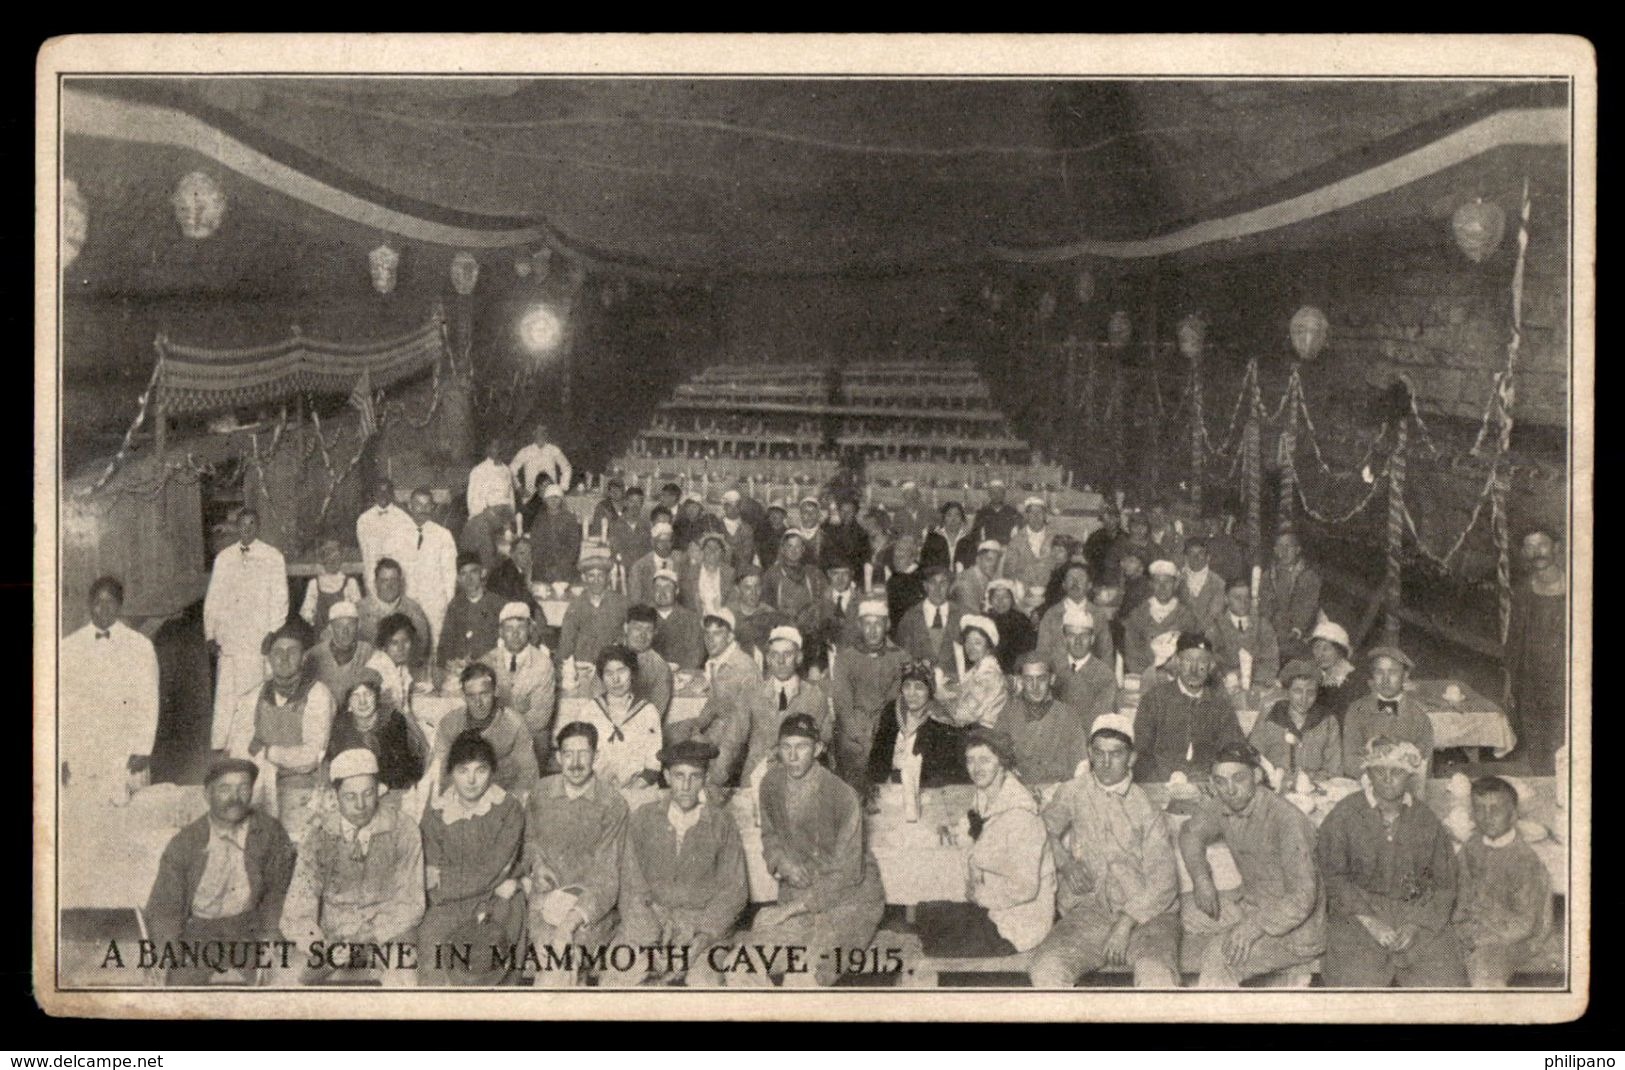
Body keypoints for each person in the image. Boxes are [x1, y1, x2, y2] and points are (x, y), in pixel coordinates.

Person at [1029, 715, 1181, 988]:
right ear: (1089, 753)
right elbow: (1039, 830)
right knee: (1046, 969)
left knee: (1156, 975)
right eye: (1098, 753)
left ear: (1132, 758)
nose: (1106, 763)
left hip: (1148, 917)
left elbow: (1164, 882)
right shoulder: (1073, 792)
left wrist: (1125, 924)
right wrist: (1065, 863)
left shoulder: (1147, 808)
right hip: (1090, 913)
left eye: (1116, 754)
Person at [741, 713, 885, 987]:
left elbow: (849, 874)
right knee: (743, 963)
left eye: (802, 746)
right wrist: (782, 862)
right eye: (786, 747)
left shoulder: (842, 796)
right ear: (777, 749)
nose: (793, 755)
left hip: (850, 899)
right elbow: (770, 835)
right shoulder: (770, 784)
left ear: (818, 749)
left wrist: (790, 910)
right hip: (799, 890)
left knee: (809, 976)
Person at [1316, 737, 1467, 987]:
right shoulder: (1344, 814)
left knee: (1445, 981)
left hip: (1415, 909)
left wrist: (1416, 923)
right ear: (1368, 774)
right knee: (1355, 983)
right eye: (1379, 771)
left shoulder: (1425, 818)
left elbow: (1444, 883)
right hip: (1357, 912)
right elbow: (1332, 875)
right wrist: (1369, 921)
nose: (1387, 778)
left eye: (1396, 771)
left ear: (1409, 776)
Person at [1178, 743, 1326, 987]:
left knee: (1220, 956)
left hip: (1296, 929)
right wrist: (1201, 878)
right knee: (1179, 909)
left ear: (1257, 776)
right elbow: (1190, 833)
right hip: (1251, 903)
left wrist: (1253, 927)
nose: (1230, 790)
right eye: (1220, 781)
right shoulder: (1225, 802)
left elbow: (1303, 898)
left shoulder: (1288, 820)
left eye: (1238, 778)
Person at [277, 749, 425, 986]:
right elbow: (297, 909)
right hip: (333, 936)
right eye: (350, 796)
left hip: (387, 935)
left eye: (368, 794)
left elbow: (411, 903)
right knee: (287, 981)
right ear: (335, 796)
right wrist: (320, 947)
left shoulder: (404, 829)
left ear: (378, 790)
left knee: (405, 980)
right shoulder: (318, 835)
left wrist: (372, 939)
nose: (360, 805)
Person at [144, 757, 296, 985]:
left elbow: (279, 890)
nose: (235, 798)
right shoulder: (186, 842)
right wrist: (165, 953)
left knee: (279, 984)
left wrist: (270, 933)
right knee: (179, 992)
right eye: (225, 789)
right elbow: (165, 906)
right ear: (207, 795)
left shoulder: (269, 832)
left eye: (243, 788)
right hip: (198, 930)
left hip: (249, 927)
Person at [617, 739, 750, 987]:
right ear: (666, 776)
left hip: (702, 929)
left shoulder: (722, 823)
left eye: (695, 776)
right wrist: (649, 943)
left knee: (703, 982)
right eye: (679, 776)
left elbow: (734, 891)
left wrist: (701, 940)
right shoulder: (644, 818)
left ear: (705, 778)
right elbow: (630, 884)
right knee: (619, 978)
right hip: (650, 923)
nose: (686, 786)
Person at [416, 730, 528, 986]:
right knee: (430, 943)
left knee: (490, 956)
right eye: (463, 770)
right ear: (451, 772)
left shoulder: (508, 808)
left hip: (499, 900)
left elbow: (496, 867)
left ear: (492, 772)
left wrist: (446, 882)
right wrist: (442, 885)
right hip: (450, 904)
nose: (471, 780)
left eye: (481, 770)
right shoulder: (436, 812)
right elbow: (431, 875)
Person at [523, 721, 628, 987]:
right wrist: (536, 864)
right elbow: (529, 841)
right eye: (568, 753)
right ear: (558, 757)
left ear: (596, 756)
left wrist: (569, 924)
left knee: (561, 960)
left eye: (583, 753)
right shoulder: (541, 793)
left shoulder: (612, 803)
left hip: (590, 911)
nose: (575, 762)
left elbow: (608, 878)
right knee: (552, 959)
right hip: (544, 904)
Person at [224, 618, 334, 839]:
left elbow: (310, 757)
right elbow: (238, 750)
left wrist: (266, 752)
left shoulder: (319, 695)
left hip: (304, 789)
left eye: (292, 652)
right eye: (277, 652)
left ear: (304, 658)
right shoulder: (251, 698)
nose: (283, 658)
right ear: (269, 659)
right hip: (260, 786)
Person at [59, 576, 160, 803]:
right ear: (89, 604)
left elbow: (149, 700)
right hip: (83, 747)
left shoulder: (140, 646)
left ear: (120, 605)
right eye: (98, 602)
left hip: (124, 748)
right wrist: (63, 755)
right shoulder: (69, 647)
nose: (104, 608)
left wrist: (143, 748)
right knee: (86, 812)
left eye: (111, 602)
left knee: (127, 810)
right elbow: (63, 704)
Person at [956, 727, 1056, 953]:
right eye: (970, 760)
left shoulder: (1021, 815)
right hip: (994, 909)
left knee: (934, 928)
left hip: (1020, 924)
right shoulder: (983, 799)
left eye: (985, 760)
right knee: (930, 916)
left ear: (1001, 763)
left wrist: (979, 896)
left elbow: (1026, 889)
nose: (976, 768)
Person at [1453, 775, 1552, 987]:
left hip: (1510, 939)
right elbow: (1458, 891)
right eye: (1479, 809)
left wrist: (1481, 938)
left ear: (1514, 815)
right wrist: (1461, 928)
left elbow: (1525, 924)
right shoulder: (1472, 845)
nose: (1487, 816)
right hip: (1470, 931)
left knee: (1485, 971)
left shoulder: (1524, 860)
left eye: (1496, 809)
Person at [204, 508, 288, 751]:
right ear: (237, 527)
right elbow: (214, 599)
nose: (247, 529)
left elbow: (280, 596)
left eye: (252, 524)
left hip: (256, 635)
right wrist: (210, 633)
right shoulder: (224, 558)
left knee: (253, 688)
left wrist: (273, 631)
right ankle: (224, 742)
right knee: (227, 690)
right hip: (229, 636)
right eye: (243, 524)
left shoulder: (272, 557)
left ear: (258, 527)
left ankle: (250, 741)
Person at [1132, 632, 1248, 783]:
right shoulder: (1154, 700)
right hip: (1160, 783)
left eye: (1202, 662)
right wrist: (1166, 779)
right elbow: (1141, 752)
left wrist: (1208, 778)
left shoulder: (1220, 705)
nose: (1194, 669)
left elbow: (1233, 749)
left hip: (1206, 784)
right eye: (1188, 660)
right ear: (1177, 662)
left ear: (1210, 666)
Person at [671, 609, 759, 787]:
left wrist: (703, 738)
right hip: (721, 727)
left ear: (730, 636)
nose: (710, 639)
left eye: (718, 633)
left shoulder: (741, 667)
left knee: (683, 747)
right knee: (671, 732)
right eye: (707, 633)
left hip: (736, 741)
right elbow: (714, 704)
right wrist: (696, 726)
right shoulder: (720, 661)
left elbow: (739, 727)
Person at [426, 663, 539, 800]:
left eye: (484, 694)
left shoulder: (515, 723)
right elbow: (439, 772)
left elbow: (528, 775)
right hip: (462, 800)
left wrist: (509, 806)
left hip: (503, 800)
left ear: (495, 691)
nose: (478, 703)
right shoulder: (449, 723)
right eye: (471, 696)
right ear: (463, 696)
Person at [1504, 529, 1567, 771]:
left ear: (1556, 547)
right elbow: (1514, 641)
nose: (1536, 552)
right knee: (1538, 754)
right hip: (1531, 686)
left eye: (1542, 544)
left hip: (1564, 684)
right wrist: (1510, 685)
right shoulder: (1522, 592)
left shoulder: (1575, 587)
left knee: (1561, 750)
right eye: (1529, 547)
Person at [828, 598, 907, 787]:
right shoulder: (846, 658)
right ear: (859, 626)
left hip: (887, 727)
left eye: (878, 623)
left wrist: (879, 730)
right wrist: (858, 733)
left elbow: (896, 698)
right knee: (853, 761)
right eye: (867, 624)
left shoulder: (900, 657)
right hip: (854, 730)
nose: (872, 630)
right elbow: (843, 702)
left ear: (887, 625)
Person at [740, 627, 834, 781]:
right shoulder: (752, 693)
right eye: (775, 655)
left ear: (799, 658)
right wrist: (717, 779)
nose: (781, 661)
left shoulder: (815, 696)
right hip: (755, 777)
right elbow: (733, 739)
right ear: (768, 659)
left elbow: (823, 742)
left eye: (787, 654)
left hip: (799, 777)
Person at [570, 645, 664, 789]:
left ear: (632, 673)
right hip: (596, 789)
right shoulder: (589, 711)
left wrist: (631, 790)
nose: (616, 679)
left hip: (638, 788)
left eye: (622, 671)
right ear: (602, 678)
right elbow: (580, 759)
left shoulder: (648, 712)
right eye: (608, 673)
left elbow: (653, 766)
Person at [1341, 646, 1435, 781]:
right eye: (1379, 672)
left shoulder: (1418, 715)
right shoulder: (1357, 710)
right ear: (1372, 675)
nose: (1385, 680)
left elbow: (1425, 765)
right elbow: (1349, 761)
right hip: (1366, 784)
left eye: (1393, 672)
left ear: (1405, 675)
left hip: (1405, 787)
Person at [995, 652, 1088, 787]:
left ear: (1052, 679)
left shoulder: (1068, 716)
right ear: (1020, 680)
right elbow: (996, 760)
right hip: (1019, 794)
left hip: (1059, 793)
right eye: (1028, 679)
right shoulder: (1008, 715)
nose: (1035, 686)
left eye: (1041, 679)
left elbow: (1082, 765)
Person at [480, 602, 556, 763]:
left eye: (520, 628)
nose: (515, 634)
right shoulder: (487, 662)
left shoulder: (543, 664)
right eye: (509, 629)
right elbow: (480, 711)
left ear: (530, 630)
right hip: (494, 737)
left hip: (531, 739)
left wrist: (503, 713)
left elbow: (540, 718)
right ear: (500, 632)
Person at [326, 678, 428, 795]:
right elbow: (334, 765)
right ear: (348, 702)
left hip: (394, 790)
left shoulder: (393, 720)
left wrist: (379, 787)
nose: (362, 702)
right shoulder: (341, 724)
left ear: (377, 697)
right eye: (355, 696)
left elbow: (404, 770)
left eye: (368, 694)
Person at [1249, 660, 1344, 783]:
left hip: (1316, 789)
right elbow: (1252, 759)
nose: (1304, 699)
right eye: (1297, 691)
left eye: (1310, 692)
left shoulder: (1328, 721)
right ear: (1287, 692)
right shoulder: (1270, 717)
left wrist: (1310, 778)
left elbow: (1335, 770)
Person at [400, 488, 459, 656]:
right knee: (409, 645)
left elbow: (450, 574)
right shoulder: (399, 534)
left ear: (433, 508)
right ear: (410, 507)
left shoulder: (443, 535)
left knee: (436, 646)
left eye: (427, 505)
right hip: (408, 601)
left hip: (435, 603)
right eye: (418, 505)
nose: (423, 509)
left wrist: (449, 605)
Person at [1121, 560, 1201, 676]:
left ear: (1176, 584)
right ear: (1151, 584)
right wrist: (1150, 673)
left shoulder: (1187, 616)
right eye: (1157, 582)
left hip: (1178, 677)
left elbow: (1193, 652)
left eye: (1167, 582)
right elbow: (1132, 653)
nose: (1162, 587)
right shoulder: (1138, 614)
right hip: (1146, 677)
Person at [356, 558, 432, 671]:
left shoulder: (414, 610)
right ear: (375, 583)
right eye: (384, 580)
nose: (389, 585)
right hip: (367, 675)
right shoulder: (359, 610)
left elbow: (421, 649)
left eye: (394, 580)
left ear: (401, 582)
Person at [436, 553, 505, 678]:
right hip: (461, 673)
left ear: (482, 573)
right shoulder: (455, 606)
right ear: (458, 579)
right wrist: (448, 663)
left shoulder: (498, 604)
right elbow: (444, 645)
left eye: (473, 572)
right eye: (463, 574)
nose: (469, 578)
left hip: (491, 672)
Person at [556, 553, 628, 669]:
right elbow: (566, 642)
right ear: (584, 578)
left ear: (608, 578)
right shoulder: (576, 606)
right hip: (584, 665)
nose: (596, 580)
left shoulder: (620, 603)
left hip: (612, 665)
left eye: (600, 576)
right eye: (591, 576)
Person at [1207, 576, 1280, 690]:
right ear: (1226, 599)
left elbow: (1271, 662)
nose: (1243, 602)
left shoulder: (1263, 625)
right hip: (1226, 687)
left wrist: (1250, 678)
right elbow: (1210, 662)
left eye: (1247, 597)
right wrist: (1229, 677)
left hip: (1258, 685)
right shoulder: (1215, 628)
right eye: (1237, 597)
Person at [1050, 604, 1117, 723]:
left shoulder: (1105, 676)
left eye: (1084, 635)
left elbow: (1100, 722)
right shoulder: (1053, 667)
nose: (1077, 641)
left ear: (1092, 639)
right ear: (1064, 638)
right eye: (1071, 635)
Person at [1259, 530, 1322, 657]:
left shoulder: (1309, 577)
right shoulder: (1268, 576)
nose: (1284, 552)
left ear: (1298, 549)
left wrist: (1296, 630)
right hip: (1272, 630)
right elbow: (1264, 605)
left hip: (1298, 633)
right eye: (1280, 547)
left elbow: (1307, 608)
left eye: (1289, 547)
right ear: (1275, 550)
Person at [304, 601, 378, 707]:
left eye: (350, 625)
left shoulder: (368, 651)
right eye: (339, 626)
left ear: (358, 625)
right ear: (330, 628)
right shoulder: (314, 654)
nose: (345, 631)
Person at [946, 615, 1009, 730]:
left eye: (977, 643)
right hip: (974, 728)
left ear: (988, 646)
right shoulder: (977, 668)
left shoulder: (988, 675)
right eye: (968, 642)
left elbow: (962, 715)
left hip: (985, 734)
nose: (970, 647)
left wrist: (942, 698)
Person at [761, 531, 829, 636]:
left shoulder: (814, 573)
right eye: (789, 546)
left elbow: (825, 599)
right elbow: (765, 605)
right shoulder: (772, 574)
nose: (794, 551)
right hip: (782, 630)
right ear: (783, 549)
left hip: (810, 631)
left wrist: (811, 612)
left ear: (803, 550)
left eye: (798, 546)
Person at [356, 480, 414, 597]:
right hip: (373, 575)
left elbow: (408, 553)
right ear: (374, 494)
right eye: (379, 491)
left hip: (395, 576)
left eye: (386, 491)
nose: (383, 495)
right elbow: (365, 552)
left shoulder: (404, 519)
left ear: (392, 494)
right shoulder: (364, 520)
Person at [897, 565, 962, 667]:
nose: (938, 588)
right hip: (920, 680)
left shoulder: (961, 616)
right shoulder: (910, 617)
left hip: (953, 680)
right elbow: (903, 655)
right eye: (932, 582)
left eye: (943, 583)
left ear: (950, 586)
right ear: (925, 586)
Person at [298, 534, 362, 635]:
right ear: (322, 558)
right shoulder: (314, 584)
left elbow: (358, 611)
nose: (332, 559)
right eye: (328, 554)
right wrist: (313, 617)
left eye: (336, 554)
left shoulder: (350, 583)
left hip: (345, 632)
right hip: (321, 633)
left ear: (341, 557)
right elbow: (307, 611)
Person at [620, 604, 674, 722]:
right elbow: (596, 702)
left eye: (648, 630)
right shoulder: (608, 657)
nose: (642, 635)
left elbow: (654, 716)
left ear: (655, 632)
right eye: (637, 628)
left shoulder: (660, 668)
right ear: (625, 628)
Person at [1035, 562, 1095, 668]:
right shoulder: (1051, 615)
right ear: (1064, 585)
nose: (1075, 582)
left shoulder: (1098, 614)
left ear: (1089, 585)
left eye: (1080, 578)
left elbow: (1105, 654)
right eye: (1070, 578)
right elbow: (1042, 653)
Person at [365, 613, 422, 718]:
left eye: (405, 641)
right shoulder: (375, 669)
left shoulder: (400, 667)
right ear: (384, 646)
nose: (401, 648)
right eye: (394, 643)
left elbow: (405, 710)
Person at [511, 422, 573, 516]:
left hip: (551, 497)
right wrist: (519, 488)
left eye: (544, 432)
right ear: (533, 433)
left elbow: (567, 467)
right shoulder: (525, 451)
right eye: (539, 432)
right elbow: (511, 470)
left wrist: (562, 488)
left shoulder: (553, 450)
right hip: (531, 496)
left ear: (547, 434)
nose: (541, 435)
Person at [651, 569, 706, 671]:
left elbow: (696, 655)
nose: (662, 592)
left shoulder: (691, 619)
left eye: (667, 587)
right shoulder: (644, 617)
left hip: (682, 676)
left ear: (677, 591)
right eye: (657, 587)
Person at [529, 483, 583, 586]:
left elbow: (574, 546)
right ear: (545, 500)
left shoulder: (569, 519)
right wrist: (543, 563)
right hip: (543, 566)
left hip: (565, 566)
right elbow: (535, 545)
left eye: (556, 498)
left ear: (561, 500)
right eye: (550, 498)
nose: (553, 501)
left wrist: (563, 563)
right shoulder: (539, 519)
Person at [727, 566, 785, 661]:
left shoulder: (770, 613)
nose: (754, 592)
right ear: (737, 589)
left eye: (757, 586)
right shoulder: (727, 614)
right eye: (747, 587)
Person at [1002, 496, 1058, 593]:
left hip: (1051, 590)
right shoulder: (1016, 541)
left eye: (1039, 512)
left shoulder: (1055, 538)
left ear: (1045, 515)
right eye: (1032, 512)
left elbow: (1062, 566)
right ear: (1026, 516)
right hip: (1023, 590)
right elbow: (1008, 571)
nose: (1036, 516)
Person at [1308, 619, 1359, 724]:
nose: (1320, 654)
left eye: (1326, 648)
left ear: (1340, 652)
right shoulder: (1317, 676)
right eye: (1317, 647)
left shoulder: (1352, 680)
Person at [987, 578, 1039, 675]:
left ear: (1012, 599)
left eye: (1005, 597)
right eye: (996, 597)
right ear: (990, 600)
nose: (1000, 601)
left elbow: (1029, 650)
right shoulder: (984, 621)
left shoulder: (1020, 620)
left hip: (1016, 672)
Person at [629, 521, 686, 610]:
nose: (665, 545)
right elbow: (636, 601)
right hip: (649, 615)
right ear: (652, 542)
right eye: (661, 541)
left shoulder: (680, 563)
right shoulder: (640, 567)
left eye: (669, 541)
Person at [682, 534, 735, 621]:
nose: (712, 551)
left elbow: (732, 601)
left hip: (721, 620)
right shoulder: (690, 572)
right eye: (708, 547)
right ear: (702, 551)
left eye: (717, 548)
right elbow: (685, 602)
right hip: (695, 619)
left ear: (722, 553)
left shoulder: (729, 573)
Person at [1179, 538, 1225, 634]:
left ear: (1208, 557)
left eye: (1200, 553)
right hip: (1182, 633)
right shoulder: (1178, 580)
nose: (1196, 557)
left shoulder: (1218, 582)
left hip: (1209, 635)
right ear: (1186, 557)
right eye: (1191, 553)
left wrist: (1196, 633)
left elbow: (1214, 615)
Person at [466, 437, 517, 522]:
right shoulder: (479, 471)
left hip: (505, 518)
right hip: (485, 519)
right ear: (488, 449)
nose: (499, 450)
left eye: (500, 447)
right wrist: (490, 515)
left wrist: (511, 517)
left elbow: (511, 498)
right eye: (495, 447)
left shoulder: (506, 470)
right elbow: (473, 502)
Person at [884, 532, 927, 631]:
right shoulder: (893, 577)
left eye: (901, 557)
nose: (897, 555)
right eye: (895, 557)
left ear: (913, 557)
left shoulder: (921, 578)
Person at [460, 500, 516, 575]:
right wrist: (504, 556)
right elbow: (488, 562)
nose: (501, 528)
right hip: (475, 569)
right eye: (502, 525)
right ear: (497, 518)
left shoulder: (481, 517)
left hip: (472, 561)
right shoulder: (483, 528)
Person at [952, 540, 1004, 615]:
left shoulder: (986, 577)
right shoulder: (965, 582)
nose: (993, 565)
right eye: (989, 559)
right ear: (978, 560)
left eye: (996, 561)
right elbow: (973, 615)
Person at [922, 501, 976, 574]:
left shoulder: (969, 540)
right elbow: (926, 564)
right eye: (949, 515)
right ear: (943, 518)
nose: (953, 519)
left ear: (962, 519)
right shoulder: (933, 538)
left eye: (957, 515)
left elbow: (972, 566)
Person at [970, 479, 1022, 547]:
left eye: (999, 492)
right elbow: (975, 535)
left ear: (1004, 494)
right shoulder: (982, 513)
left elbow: (1021, 533)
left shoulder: (1012, 512)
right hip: (987, 550)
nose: (996, 495)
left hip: (1007, 549)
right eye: (993, 493)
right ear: (989, 494)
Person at [716, 489, 758, 572]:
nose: (733, 508)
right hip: (718, 570)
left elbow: (747, 555)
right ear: (724, 506)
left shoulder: (746, 528)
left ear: (740, 507)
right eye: (729, 505)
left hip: (740, 572)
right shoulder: (717, 526)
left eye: (737, 505)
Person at [1082, 502, 1123, 586]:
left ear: (1118, 519)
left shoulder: (1125, 538)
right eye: (1105, 520)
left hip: (1119, 578)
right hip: (1098, 577)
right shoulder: (1094, 537)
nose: (1110, 522)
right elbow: (1087, 555)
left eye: (1113, 518)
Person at [755, 505, 789, 571]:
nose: (774, 516)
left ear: (784, 516)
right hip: (761, 569)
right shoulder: (761, 531)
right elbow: (756, 550)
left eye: (778, 513)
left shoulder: (787, 534)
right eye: (772, 513)